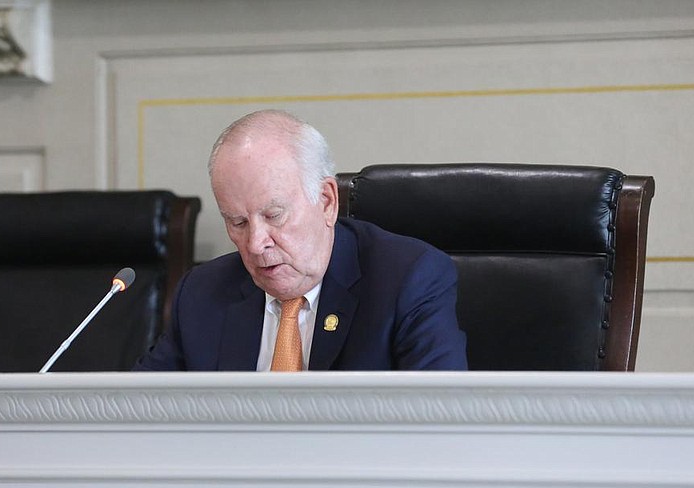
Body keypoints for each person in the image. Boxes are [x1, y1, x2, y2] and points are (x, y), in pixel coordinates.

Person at [133, 109, 467, 371]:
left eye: (274, 215)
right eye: (237, 222)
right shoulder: (202, 294)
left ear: (326, 201)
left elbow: (438, 422)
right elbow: (138, 412)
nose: (254, 243)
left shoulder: (408, 280)